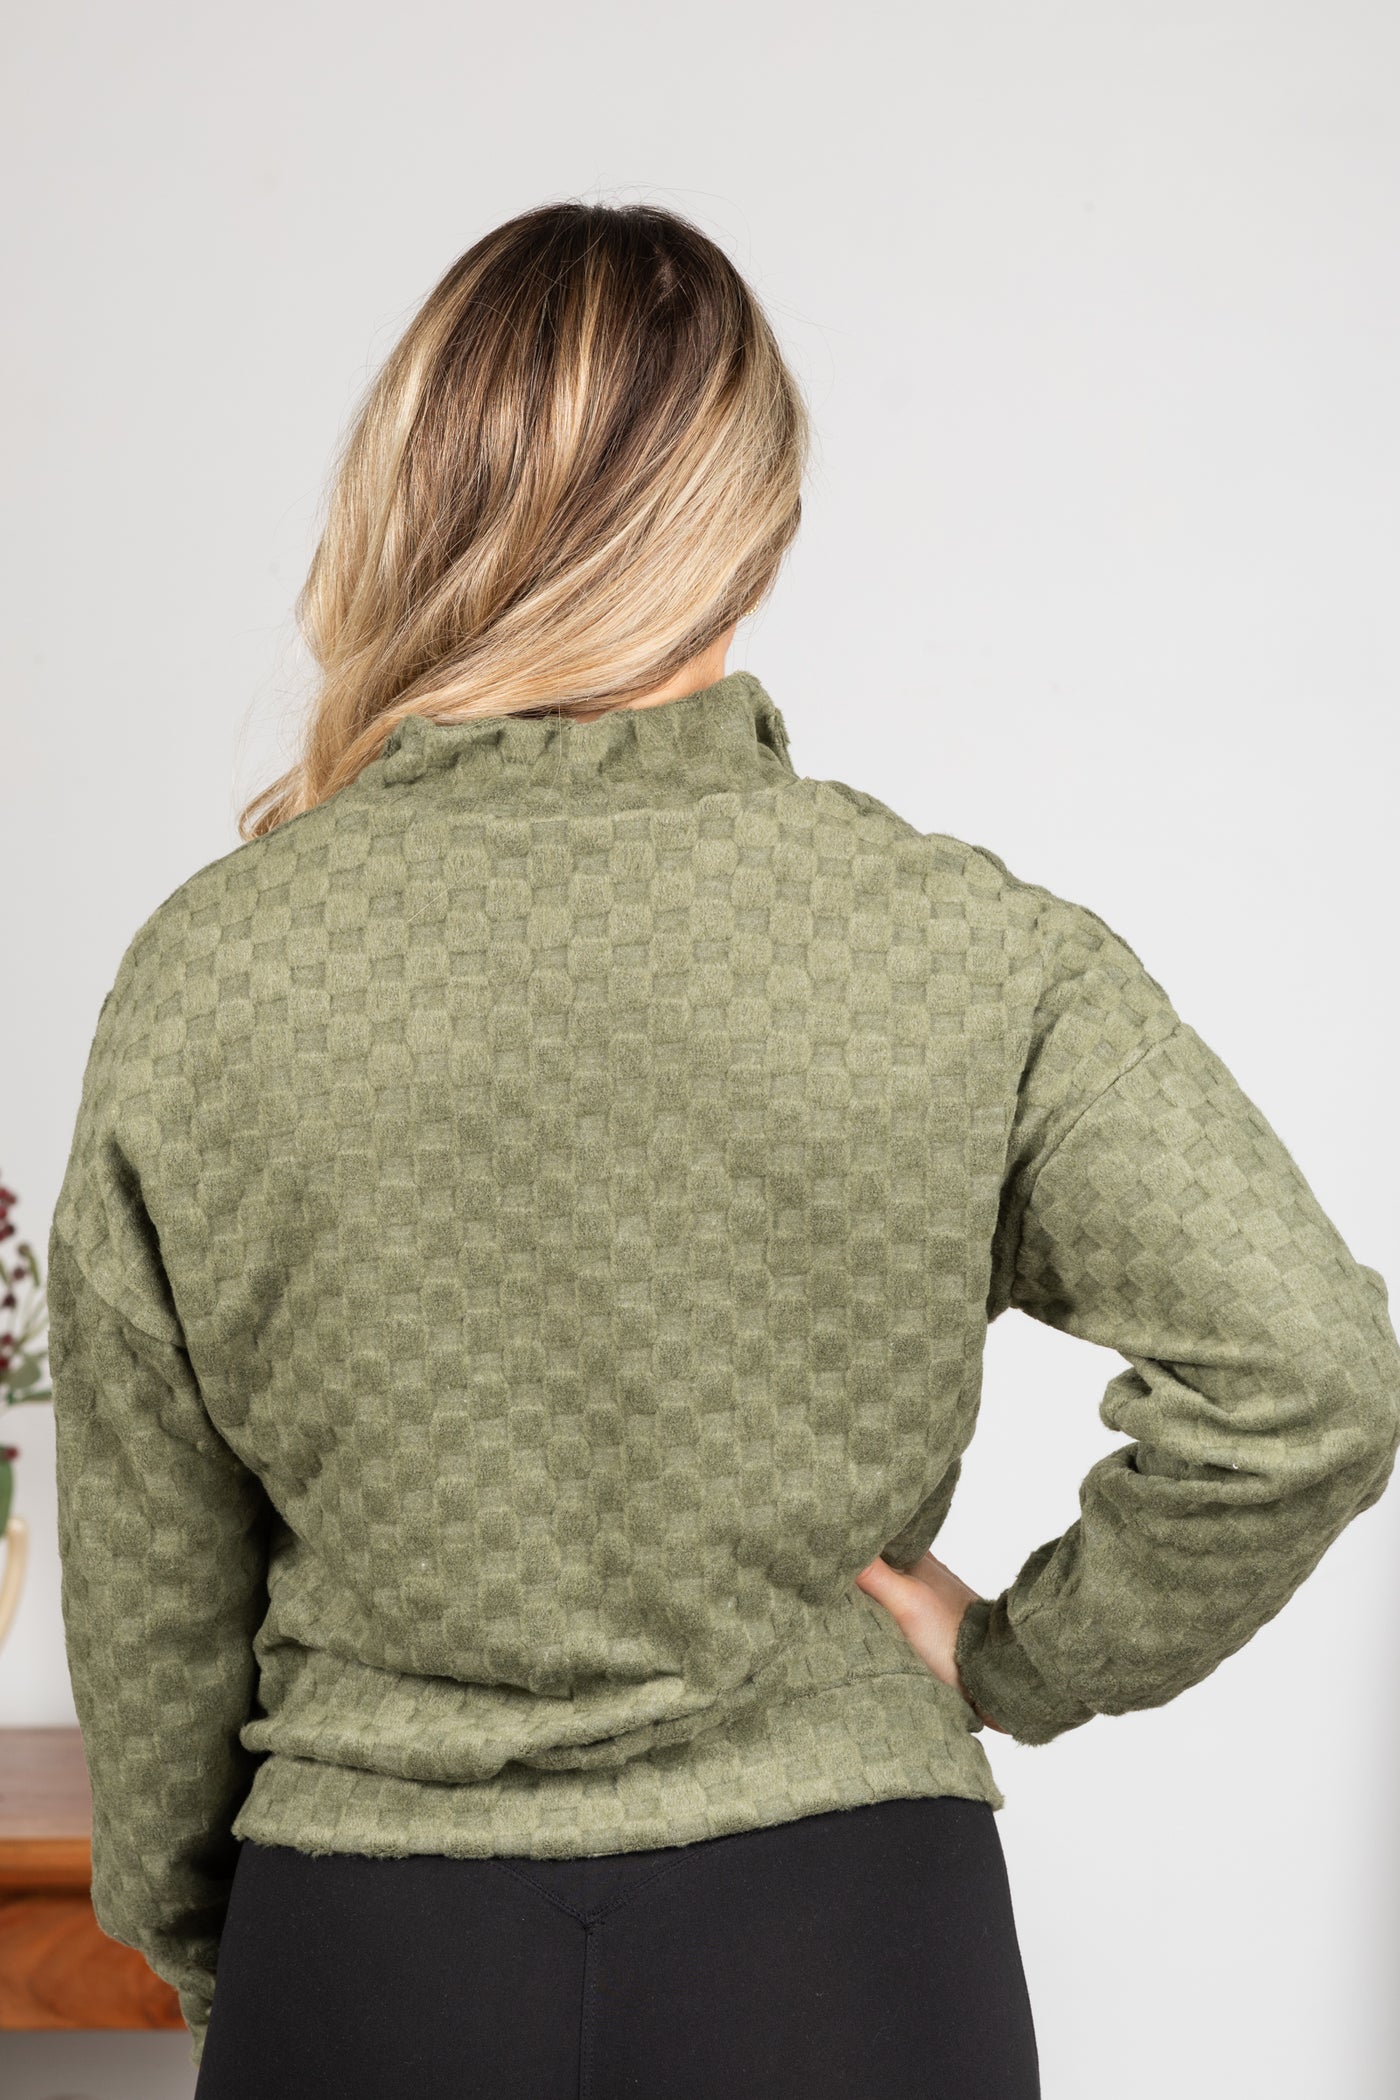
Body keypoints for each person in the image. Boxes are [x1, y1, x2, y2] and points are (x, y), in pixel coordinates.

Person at [46, 200, 1400, 2100]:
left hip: (371, 1961)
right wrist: (1016, 1660)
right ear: (750, 533)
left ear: (412, 499)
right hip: (849, 1962)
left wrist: (232, 1951)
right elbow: (1311, 1377)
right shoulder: (959, 945)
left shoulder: (213, 973)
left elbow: (151, 1591)